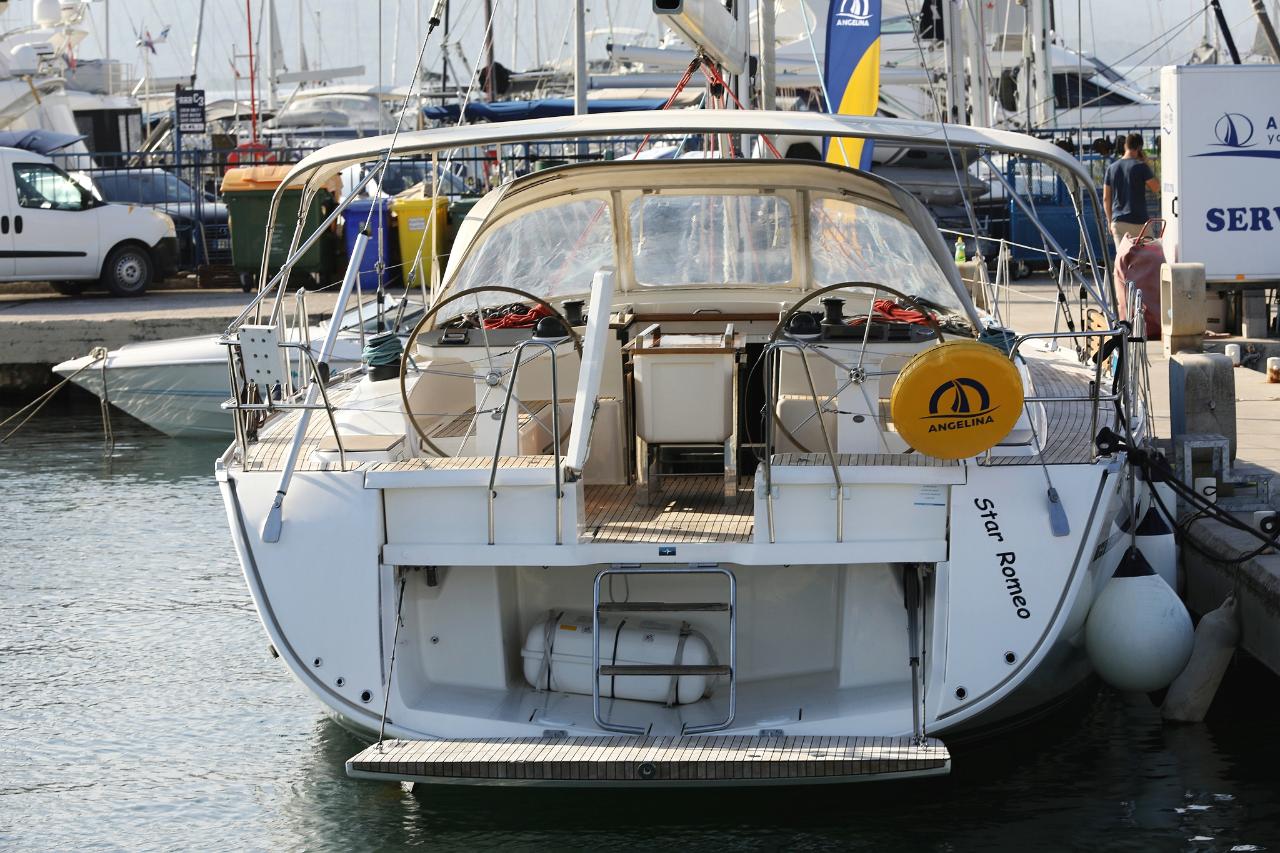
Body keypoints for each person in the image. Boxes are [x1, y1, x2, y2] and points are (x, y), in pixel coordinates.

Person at [1103, 133, 1160, 246]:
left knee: (1124, 260)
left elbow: (1106, 198)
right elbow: (1156, 187)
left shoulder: (1111, 168)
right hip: (1139, 222)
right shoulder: (1141, 167)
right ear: (1139, 148)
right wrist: (1146, 163)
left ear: (1125, 146)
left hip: (1118, 222)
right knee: (1151, 256)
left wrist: (1110, 221)